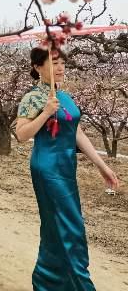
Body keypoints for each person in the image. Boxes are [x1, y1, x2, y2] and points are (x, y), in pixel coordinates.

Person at [15, 46, 119, 290]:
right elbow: (21, 134)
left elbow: (77, 133)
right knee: (71, 228)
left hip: (66, 168)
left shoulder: (65, 97)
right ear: (37, 67)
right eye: (54, 63)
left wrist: (101, 166)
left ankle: (47, 281)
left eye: (62, 63)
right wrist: (44, 114)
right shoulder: (33, 98)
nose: (60, 68)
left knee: (56, 227)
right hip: (47, 168)